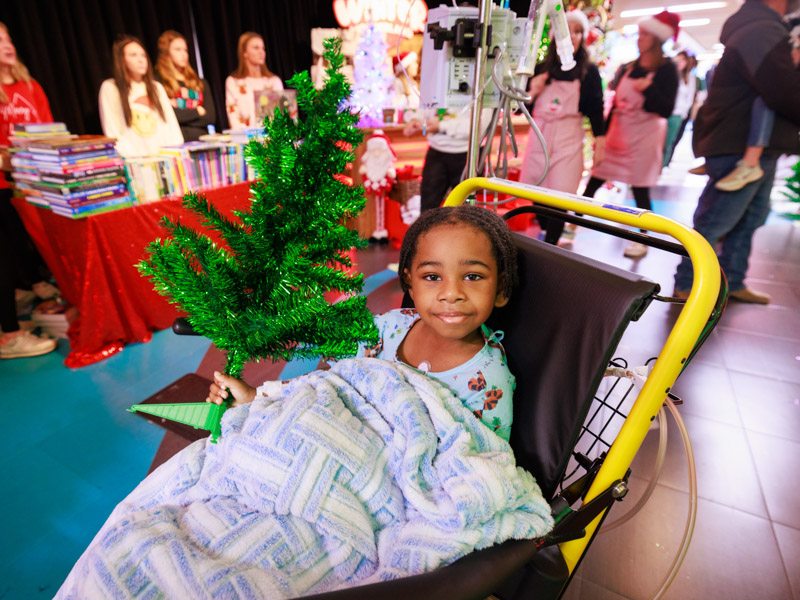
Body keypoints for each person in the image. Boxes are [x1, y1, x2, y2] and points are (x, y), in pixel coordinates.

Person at [208, 205, 519, 440]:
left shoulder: (488, 384)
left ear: (501, 289)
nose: (451, 293)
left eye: (473, 276)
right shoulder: (387, 329)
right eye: (432, 277)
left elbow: (479, 469)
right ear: (410, 284)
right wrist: (256, 397)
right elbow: (327, 385)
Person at [674, 0, 800, 304]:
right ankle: (688, 284)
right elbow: (782, 90)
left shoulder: (763, 27)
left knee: (751, 218)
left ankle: (733, 279)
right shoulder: (760, 29)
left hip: (754, 145)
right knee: (716, 219)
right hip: (739, 144)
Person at [582, 10, 680, 258]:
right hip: (619, 133)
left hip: (645, 138)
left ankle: (643, 238)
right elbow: (615, 104)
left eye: (645, 35)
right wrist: (602, 135)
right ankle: (573, 223)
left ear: (656, 40)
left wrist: (649, 89)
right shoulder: (628, 67)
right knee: (596, 178)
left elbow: (666, 109)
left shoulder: (668, 70)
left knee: (640, 189)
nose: (640, 39)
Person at [520, 8, 605, 246]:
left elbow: (596, 109)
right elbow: (519, 107)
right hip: (540, 136)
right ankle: (548, 229)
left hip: (568, 139)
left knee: (560, 196)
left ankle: (551, 245)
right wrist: (532, 90)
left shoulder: (589, 72)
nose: (574, 36)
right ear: (557, 35)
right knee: (534, 193)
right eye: (569, 30)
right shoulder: (539, 68)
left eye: (579, 31)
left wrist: (601, 143)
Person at [0, 22, 58, 359]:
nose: (7, 44)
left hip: (33, 185)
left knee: (30, 250)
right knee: (4, 259)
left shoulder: (30, 85)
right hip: (4, 187)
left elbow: (49, 133)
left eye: (8, 37)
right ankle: (9, 336)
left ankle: (28, 296)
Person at [99, 35, 183, 157]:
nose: (141, 60)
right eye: (133, 55)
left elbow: (172, 127)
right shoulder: (111, 88)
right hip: (135, 161)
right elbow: (113, 132)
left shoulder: (156, 87)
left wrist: (173, 155)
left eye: (143, 55)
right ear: (122, 60)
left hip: (165, 160)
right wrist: (133, 159)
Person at [403, 107, 493, 212]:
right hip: (436, 152)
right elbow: (426, 106)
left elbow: (480, 126)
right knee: (428, 206)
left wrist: (441, 126)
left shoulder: (482, 94)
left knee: (465, 208)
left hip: (468, 153)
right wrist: (415, 120)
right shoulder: (438, 90)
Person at [155, 30, 216, 142]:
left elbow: (210, 117)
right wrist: (197, 111)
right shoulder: (158, 83)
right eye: (178, 50)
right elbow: (168, 117)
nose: (183, 54)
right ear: (166, 53)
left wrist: (182, 115)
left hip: (202, 140)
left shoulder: (200, 83)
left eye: (185, 50)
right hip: (175, 141)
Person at [225, 32, 284, 131]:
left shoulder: (274, 81)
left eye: (263, 48)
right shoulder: (233, 82)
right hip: (246, 140)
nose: (261, 52)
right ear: (244, 52)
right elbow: (233, 116)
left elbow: (281, 114)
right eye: (256, 48)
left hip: (272, 139)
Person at [663, 51, 697, 168]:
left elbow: (689, 98)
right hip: (663, 112)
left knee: (668, 142)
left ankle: (661, 167)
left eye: (683, 60)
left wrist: (683, 112)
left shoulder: (689, 78)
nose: (679, 62)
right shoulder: (669, 74)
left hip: (676, 113)